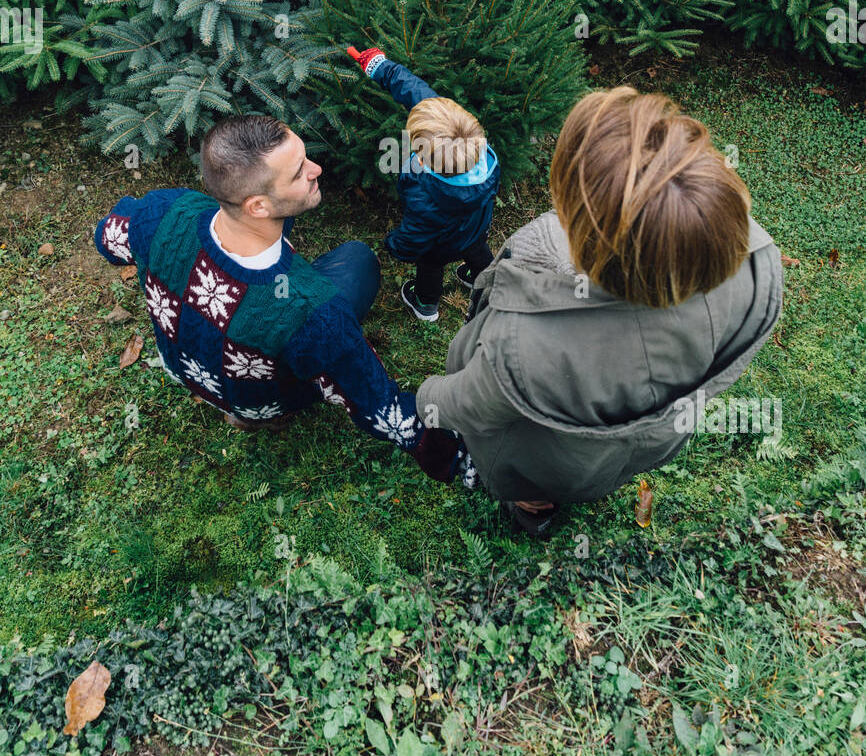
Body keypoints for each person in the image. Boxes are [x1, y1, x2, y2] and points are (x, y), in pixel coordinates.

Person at [416, 86, 784, 536]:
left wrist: (425, 398)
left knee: (530, 478)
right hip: (654, 442)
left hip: (555, 462)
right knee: (592, 467)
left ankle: (534, 508)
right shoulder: (761, 265)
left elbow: (469, 403)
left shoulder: (530, 345)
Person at [93, 115, 477, 488]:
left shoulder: (162, 212)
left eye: (305, 158)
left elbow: (106, 237)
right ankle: (251, 416)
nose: (317, 169)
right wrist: (462, 461)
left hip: (182, 369)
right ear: (257, 206)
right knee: (358, 262)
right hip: (255, 402)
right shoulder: (312, 311)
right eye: (299, 172)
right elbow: (379, 407)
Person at [346, 45, 501, 321]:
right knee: (478, 250)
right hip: (476, 227)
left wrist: (393, 244)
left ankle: (425, 304)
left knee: (429, 266)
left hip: (440, 246)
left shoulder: (424, 196)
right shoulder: (478, 152)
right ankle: (486, 281)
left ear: (426, 160)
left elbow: (414, 237)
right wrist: (382, 67)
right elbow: (418, 94)